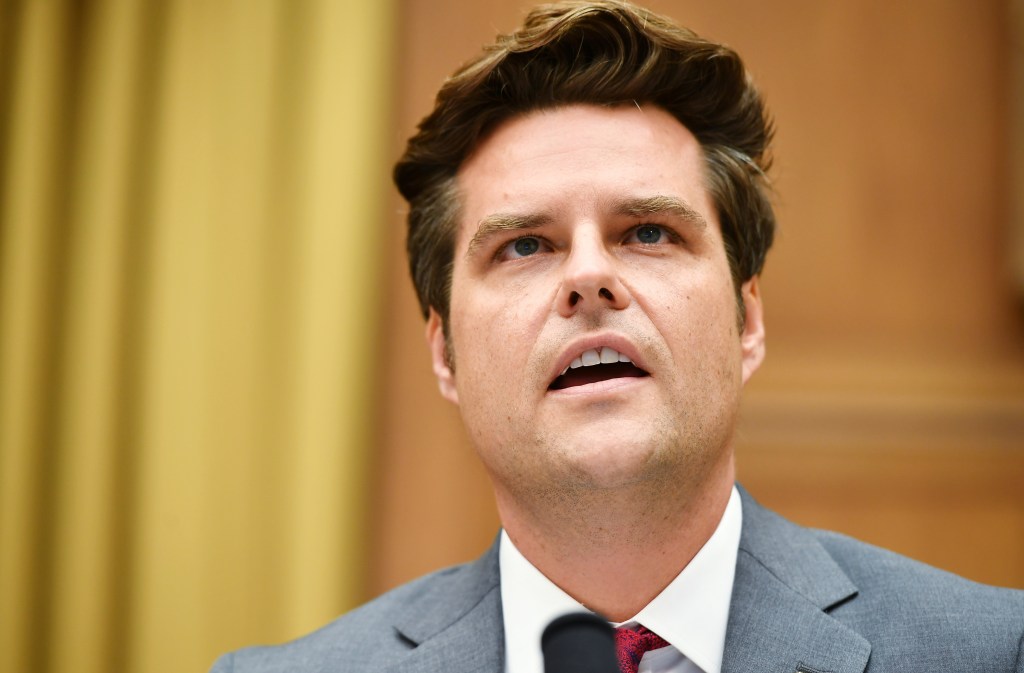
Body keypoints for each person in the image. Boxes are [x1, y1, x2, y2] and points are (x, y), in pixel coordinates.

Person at [211, 1, 1024, 672]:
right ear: (443, 351)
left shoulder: (992, 653)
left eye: (647, 233)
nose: (589, 277)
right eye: (524, 245)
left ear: (748, 321)